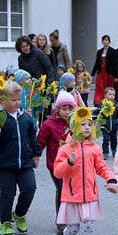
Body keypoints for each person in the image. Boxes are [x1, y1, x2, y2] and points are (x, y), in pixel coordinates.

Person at [53, 111, 118, 235]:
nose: (87, 127)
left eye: (90, 124)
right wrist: (69, 162)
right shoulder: (66, 148)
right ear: (73, 126)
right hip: (72, 196)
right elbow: (58, 172)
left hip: (90, 196)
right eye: (83, 124)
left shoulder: (94, 148)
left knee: (89, 226)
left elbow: (101, 166)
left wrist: (111, 179)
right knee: (74, 229)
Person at [0, 80, 41, 235]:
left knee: (30, 188)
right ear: (2, 101)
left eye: (19, 99)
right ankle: (5, 222)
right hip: (3, 164)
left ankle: (19, 214)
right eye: (13, 100)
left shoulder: (25, 117)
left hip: (25, 163)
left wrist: (36, 154)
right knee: (8, 194)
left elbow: (32, 137)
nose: (17, 102)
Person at [36, 90, 76, 220]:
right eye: (64, 109)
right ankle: (60, 218)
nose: (67, 112)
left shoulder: (75, 123)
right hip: (55, 164)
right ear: (57, 109)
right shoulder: (48, 124)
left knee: (72, 189)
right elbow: (40, 142)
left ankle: (71, 216)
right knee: (62, 189)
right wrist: (35, 156)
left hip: (73, 162)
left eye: (70, 109)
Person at [95, 86, 118, 158]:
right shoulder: (102, 104)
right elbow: (97, 112)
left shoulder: (116, 105)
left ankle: (114, 150)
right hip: (104, 126)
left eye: (113, 95)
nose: (112, 96)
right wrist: (92, 116)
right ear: (105, 95)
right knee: (106, 139)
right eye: (109, 94)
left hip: (114, 126)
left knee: (114, 139)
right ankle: (105, 152)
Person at [92, 35, 118, 106]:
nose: (105, 41)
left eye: (107, 40)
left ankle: (109, 102)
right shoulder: (99, 51)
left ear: (109, 41)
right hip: (101, 72)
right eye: (104, 40)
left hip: (109, 73)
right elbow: (96, 63)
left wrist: (116, 76)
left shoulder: (113, 51)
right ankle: (98, 102)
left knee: (108, 88)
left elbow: (115, 65)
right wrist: (93, 74)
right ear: (102, 41)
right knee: (99, 87)